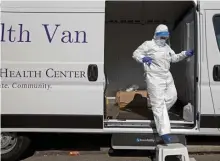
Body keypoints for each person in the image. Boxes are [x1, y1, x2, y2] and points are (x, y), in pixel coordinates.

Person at [132, 24, 194, 144]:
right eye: (161, 37)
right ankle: (164, 133)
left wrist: (185, 54)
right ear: (156, 35)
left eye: (165, 38)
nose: (163, 40)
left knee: (173, 96)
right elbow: (135, 54)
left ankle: (159, 113)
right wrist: (143, 58)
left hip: (166, 75)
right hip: (154, 77)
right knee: (159, 105)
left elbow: (173, 58)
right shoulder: (148, 44)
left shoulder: (166, 47)